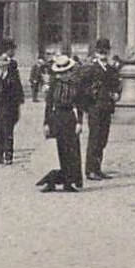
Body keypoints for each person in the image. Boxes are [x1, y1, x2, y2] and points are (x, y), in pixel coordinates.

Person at [37, 53, 83, 192]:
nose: (63, 74)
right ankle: (51, 181)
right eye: (61, 72)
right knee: (55, 150)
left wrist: (79, 122)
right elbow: (48, 104)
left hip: (69, 117)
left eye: (65, 71)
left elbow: (79, 104)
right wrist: (46, 123)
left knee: (71, 150)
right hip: (55, 116)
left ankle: (69, 182)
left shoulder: (75, 85)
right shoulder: (54, 84)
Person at [81, 40, 119, 180]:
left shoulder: (110, 69)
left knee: (103, 138)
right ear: (96, 51)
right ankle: (90, 170)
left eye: (105, 51)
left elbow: (116, 84)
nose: (103, 53)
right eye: (100, 51)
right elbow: (82, 87)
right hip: (94, 107)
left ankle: (98, 168)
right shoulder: (90, 68)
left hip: (107, 107)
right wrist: (90, 99)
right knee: (94, 138)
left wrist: (116, 93)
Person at [0, 56, 25, 164]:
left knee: (7, 133)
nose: (1, 67)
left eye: (4, 65)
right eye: (0, 65)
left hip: (9, 109)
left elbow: (19, 94)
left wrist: (15, 108)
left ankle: (8, 156)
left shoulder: (13, 77)